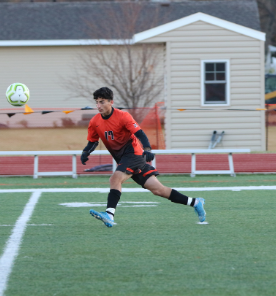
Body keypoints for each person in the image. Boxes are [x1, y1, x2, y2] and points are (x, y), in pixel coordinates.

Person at [81, 86, 206, 227]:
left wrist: (147, 149)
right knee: (158, 190)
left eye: (102, 102)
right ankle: (195, 202)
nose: (99, 105)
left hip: (133, 154)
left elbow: (140, 133)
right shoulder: (94, 122)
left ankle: (109, 215)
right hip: (124, 159)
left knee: (115, 178)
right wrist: (86, 153)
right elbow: (92, 141)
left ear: (111, 102)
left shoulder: (123, 116)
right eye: (97, 102)